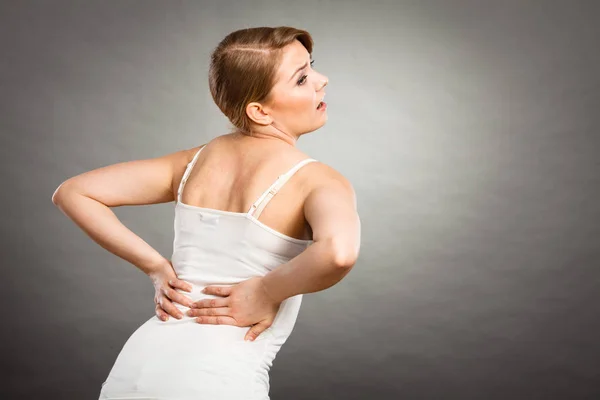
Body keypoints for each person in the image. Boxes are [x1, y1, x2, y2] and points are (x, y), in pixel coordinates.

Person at [52, 26, 361, 399]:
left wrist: (155, 266)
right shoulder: (318, 180)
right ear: (259, 111)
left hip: (136, 367)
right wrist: (265, 291)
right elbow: (338, 253)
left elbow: (74, 192)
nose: (321, 81)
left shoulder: (191, 163)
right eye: (301, 79)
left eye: (312, 67)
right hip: (214, 379)